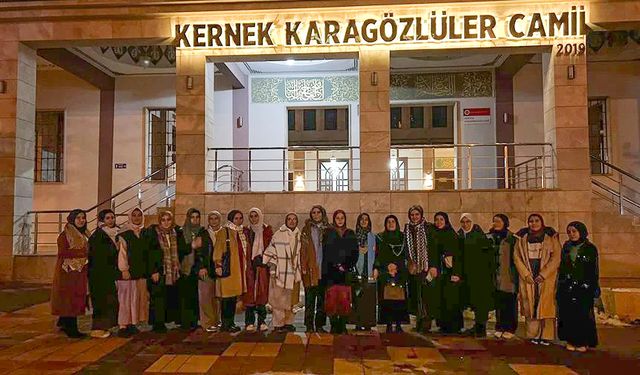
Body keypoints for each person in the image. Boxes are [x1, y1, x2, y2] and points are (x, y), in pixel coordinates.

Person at [514, 213, 561, 346]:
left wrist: (544, 274)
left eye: (536, 221)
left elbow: (556, 257)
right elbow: (517, 257)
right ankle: (533, 334)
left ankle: (546, 335)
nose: (533, 224)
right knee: (531, 305)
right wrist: (526, 275)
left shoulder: (550, 237)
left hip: (545, 277)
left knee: (546, 306)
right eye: (531, 221)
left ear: (541, 222)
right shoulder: (522, 238)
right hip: (529, 275)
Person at [557, 221, 600, 352]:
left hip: (583, 286)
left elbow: (594, 269)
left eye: (574, 231)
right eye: (569, 232)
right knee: (568, 314)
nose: (571, 234)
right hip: (567, 286)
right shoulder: (566, 247)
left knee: (583, 314)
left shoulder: (590, 248)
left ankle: (582, 341)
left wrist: (591, 286)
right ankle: (570, 339)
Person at [51, 209, 91, 338]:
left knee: (75, 297)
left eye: (83, 218)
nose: (81, 220)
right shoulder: (65, 235)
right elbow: (63, 252)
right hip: (68, 272)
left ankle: (63, 322)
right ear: (72, 219)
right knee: (70, 298)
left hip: (80, 272)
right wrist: (83, 253)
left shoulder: (84, 233)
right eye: (78, 218)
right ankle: (71, 328)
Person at [263, 212, 302, 332]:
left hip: (294, 272)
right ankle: (278, 324)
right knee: (279, 300)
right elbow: (271, 251)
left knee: (291, 300)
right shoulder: (278, 234)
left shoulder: (300, 235)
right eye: (289, 219)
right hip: (281, 271)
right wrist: (273, 269)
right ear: (286, 221)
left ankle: (289, 322)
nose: (292, 221)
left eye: (294, 219)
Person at [404, 205, 440, 333]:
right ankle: (419, 320)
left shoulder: (428, 228)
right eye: (412, 215)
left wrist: (433, 266)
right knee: (416, 294)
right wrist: (410, 263)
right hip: (414, 268)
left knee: (426, 295)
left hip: (426, 266)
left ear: (421, 215)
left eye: (417, 214)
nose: (414, 217)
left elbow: (433, 248)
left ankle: (426, 323)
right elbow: (406, 249)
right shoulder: (408, 229)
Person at [116, 207, 151, 337]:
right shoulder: (124, 234)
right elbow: (122, 253)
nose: (137, 218)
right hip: (127, 273)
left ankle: (132, 323)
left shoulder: (144, 233)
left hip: (140, 272)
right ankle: (123, 325)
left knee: (136, 299)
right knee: (125, 299)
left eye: (139, 215)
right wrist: (124, 269)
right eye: (134, 215)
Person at [322, 210, 358, 334]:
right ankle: (333, 324)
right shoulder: (329, 233)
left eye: (342, 217)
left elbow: (354, 252)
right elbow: (326, 251)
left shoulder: (350, 233)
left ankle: (342, 325)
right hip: (331, 272)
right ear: (334, 219)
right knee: (332, 300)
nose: (340, 220)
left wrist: (346, 265)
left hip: (345, 273)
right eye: (337, 218)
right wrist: (336, 264)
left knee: (344, 300)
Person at [459, 213, 493, 337]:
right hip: (466, 274)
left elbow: (487, 256)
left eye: (468, 222)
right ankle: (475, 327)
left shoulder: (479, 236)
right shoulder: (460, 235)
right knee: (471, 301)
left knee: (480, 302)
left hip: (480, 275)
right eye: (463, 222)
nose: (465, 224)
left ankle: (480, 328)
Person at [147, 210, 182, 333]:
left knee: (167, 296)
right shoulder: (153, 233)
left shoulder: (175, 232)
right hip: (159, 270)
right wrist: (154, 270)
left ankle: (164, 321)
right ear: (159, 221)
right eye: (163, 220)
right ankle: (157, 323)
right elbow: (150, 253)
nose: (166, 222)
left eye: (169, 219)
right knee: (157, 297)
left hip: (171, 270)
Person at [212, 210, 247, 333]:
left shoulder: (241, 232)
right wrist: (218, 265)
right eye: (236, 218)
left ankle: (230, 323)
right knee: (226, 299)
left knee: (232, 298)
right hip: (228, 270)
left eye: (240, 218)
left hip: (238, 270)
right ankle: (226, 324)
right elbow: (218, 249)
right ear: (231, 219)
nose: (238, 220)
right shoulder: (224, 231)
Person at [87, 209, 119, 338]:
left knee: (111, 301)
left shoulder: (118, 232)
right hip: (99, 274)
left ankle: (107, 327)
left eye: (112, 217)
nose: (111, 220)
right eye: (107, 218)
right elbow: (96, 256)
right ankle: (97, 329)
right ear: (102, 220)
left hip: (111, 273)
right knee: (101, 302)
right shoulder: (98, 236)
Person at [374, 215, 408, 333]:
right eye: (388, 222)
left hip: (399, 272)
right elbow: (378, 254)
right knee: (387, 299)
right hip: (385, 271)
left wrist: (396, 266)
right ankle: (388, 324)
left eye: (393, 221)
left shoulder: (403, 237)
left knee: (399, 299)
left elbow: (405, 255)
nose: (391, 224)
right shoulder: (381, 237)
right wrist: (387, 266)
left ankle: (398, 324)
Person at [488, 214, 518, 340]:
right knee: (499, 302)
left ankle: (510, 328)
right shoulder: (490, 237)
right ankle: (499, 326)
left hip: (508, 275)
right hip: (495, 275)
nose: (496, 223)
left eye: (499, 221)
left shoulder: (511, 238)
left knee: (509, 302)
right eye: (494, 221)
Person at [300, 205, 329, 333]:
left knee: (322, 301)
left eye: (318, 212)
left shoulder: (328, 229)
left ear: (322, 214)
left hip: (324, 269)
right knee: (310, 300)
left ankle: (320, 325)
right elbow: (303, 250)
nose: (316, 215)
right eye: (313, 213)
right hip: (311, 269)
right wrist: (304, 266)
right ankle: (309, 325)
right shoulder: (306, 230)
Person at [433, 212, 462, 335]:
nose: (439, 222)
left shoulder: (452, 235)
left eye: (441, 219)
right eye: (436, 220)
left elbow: (459, 255)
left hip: (451, 273)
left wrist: (456, 272)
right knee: (441, 300)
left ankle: (454, 326)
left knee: (452, 300)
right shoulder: (434, 235)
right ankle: (443, 325)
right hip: (440, 273)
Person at [244, 208, 273, 332]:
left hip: (262, 266)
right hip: (249, 266)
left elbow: (271, 247)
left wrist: (264, 259)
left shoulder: (266, 230)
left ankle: (262, 321)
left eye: (256, 216)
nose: (254, 218)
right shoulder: (245, 231)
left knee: (262, 292)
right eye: (251, 216)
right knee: (249, 293)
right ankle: (249, 322)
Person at [194, 211, 223, 332]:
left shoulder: (224, 233)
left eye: (216, 218)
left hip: (221, 270)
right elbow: (197, 251)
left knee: (218, 297)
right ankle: (207, 322)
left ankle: (217, 320)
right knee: (206, 297)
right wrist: (200, 266)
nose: (214, 221)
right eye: (211, 218)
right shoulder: (203, 233)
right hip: (206, 269)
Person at [349, 213, 377, 331]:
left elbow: (377, 254)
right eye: (362, 219)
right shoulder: (353, 237)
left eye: (366, 220)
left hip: (369, 270)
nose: (364, 221)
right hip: (357, 270)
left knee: (369, 298)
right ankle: (358, 322)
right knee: (358, 297)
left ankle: (368, 322)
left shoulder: (373, 237)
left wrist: (376, 268)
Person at [178, 208, 202, 331]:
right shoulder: (181, 232)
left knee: (195, 296)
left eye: (197, 217)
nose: (195, 219)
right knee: (185, 296)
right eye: (192, 217)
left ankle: (194, 320)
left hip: (197, 268)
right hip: (184, 268)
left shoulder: (202, 231)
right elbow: (179, 249)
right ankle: (185, 321)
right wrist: (191, 246)